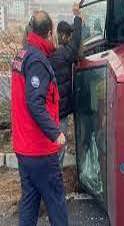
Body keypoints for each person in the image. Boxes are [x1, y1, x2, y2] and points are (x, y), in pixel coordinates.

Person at [11, 10, 68, 226]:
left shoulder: (22, 54)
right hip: (39, 150)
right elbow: (35, 103)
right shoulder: (37, 61)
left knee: (30, 200)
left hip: (23, 147)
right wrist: (55, 133)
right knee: (56, 202)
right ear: (50, 33)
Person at [49, 3, 82, 168]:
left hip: (57, 111)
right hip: (58, 113)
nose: (69, 39)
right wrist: (78, 17)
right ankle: (55, 181)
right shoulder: (60, 55)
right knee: (58, 149)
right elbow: (75, 45)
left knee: (56, 148)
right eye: (68, 36)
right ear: (62, 36)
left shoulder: (55, 53)